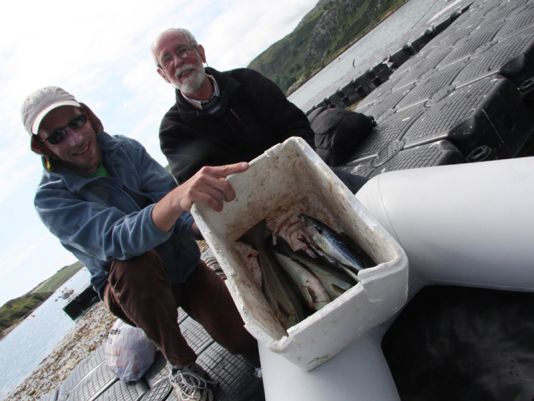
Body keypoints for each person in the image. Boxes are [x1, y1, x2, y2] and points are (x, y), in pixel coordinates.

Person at [21, 86, 258, 401]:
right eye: (57, 136)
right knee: (134, 262)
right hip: (133, 286)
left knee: (248, 340)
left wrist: (224, 232)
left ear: (88, 116)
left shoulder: (125, 149)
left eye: (76, 123)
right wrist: (178, 199)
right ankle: (181, 363)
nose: (75, 139)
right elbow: (118, 239)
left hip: (182, 264)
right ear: (43, 147)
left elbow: (175, 206)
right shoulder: (51, 198)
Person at [151, 28, 367, 191]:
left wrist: (296, 167)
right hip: (254, 209)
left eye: (182, 50)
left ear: (200, 53)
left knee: (374, 198)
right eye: (167, 59)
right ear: (162, 74)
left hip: (302, 173)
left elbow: (296, 124)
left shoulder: (247, 81)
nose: (178, 62)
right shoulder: (172, 131)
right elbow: (201, 188)